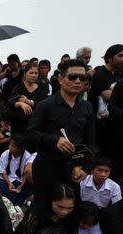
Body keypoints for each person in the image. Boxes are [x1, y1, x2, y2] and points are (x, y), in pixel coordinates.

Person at [25, 59, 95, 203]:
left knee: (70, 211)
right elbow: (31, 134)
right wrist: (54, 140)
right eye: (72, 77)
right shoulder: (46, 105)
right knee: (44, 211)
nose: (78, 81)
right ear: (61, 79)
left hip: (73, 170)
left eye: (82, 78)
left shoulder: (87, 107)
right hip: (47, 167)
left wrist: (85, 168)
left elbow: (91, 141)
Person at [88, 44, 123, 155]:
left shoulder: (122, 74)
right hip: (100, 123)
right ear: (110, 57)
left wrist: (113, 90)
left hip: (116, 121)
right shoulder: (100, 74)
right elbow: (107, 96)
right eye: (120, 56)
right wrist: (119, 91)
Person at [9, 62, 50, 134]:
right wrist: (21, 104)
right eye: (31, 73)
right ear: (25, 74)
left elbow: (44, 105)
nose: (34, 75)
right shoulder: (17, 88)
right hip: (19, 128)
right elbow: (10, 103)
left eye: (36, 73)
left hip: (37, 127)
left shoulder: (42, 88)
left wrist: (28, 101)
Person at [0, 135, 34, 205]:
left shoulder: (27, 156)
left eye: (13, 146)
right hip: (6, 180)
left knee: (30, 189)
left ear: (20, 149)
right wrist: (9, 183)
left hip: (20, 180)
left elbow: (25, 174)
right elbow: (3, 172)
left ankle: (13, 199)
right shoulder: (5, 154)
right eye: (10, 144)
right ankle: (23, 200)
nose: (9, 147)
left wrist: (22, 185)